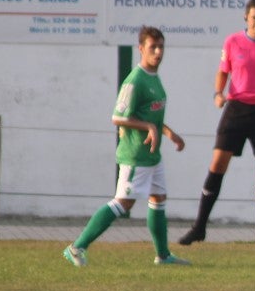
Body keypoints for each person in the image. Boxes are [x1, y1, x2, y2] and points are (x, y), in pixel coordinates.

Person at [63, 26, 190, 267]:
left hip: (152, 155)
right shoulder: (135, 80)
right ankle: (76, 246)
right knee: (123, 202)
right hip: (135, 155)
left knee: (159, 197)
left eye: (161, 46)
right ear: (141, 49)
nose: (158, 51)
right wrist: (150, 128)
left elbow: (150, 113)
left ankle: (163, 256)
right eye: (153, 47)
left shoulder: (154, 77)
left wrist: (169, 132)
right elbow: (118, 117)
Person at [179, 0, 255, 247]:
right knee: (218, 163)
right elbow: (223, 71)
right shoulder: (233, 42)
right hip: (236, 109)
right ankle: (199, 227)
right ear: (246, 17)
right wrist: (218, 94)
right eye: (254, 17)